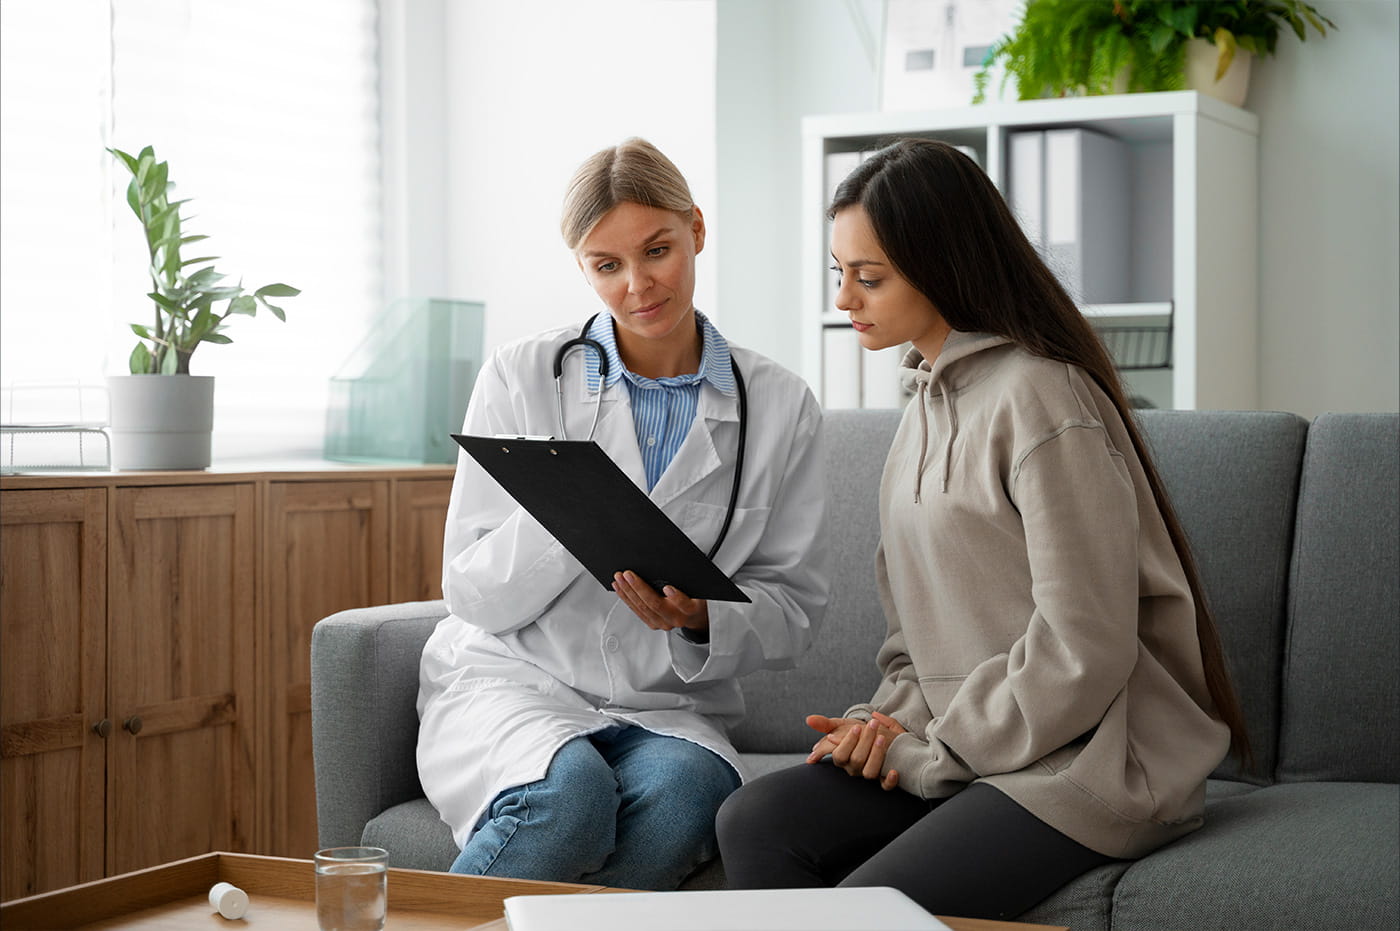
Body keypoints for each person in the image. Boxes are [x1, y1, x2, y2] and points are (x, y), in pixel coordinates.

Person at [715, 138, 1251, 920]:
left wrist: (935, 749)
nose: (845, 299)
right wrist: (883, 723)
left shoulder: (1042, 398)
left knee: (866, 908)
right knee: (755, 816)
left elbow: (1086, 645)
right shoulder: (921, 410)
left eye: (870, 278)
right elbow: (916, 643)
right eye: (840, 274)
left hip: (1086, 761)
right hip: (976, 749)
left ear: (942, 263)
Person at [416, 137, 830, 891]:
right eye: (606, 265)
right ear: (582, 268)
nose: (638, 285)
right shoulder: (521, 376)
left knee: (686, 801)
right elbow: (470, 591)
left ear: (696, 230)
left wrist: (705, 615)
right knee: (568, 795)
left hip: (666, 703)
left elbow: (796, 606)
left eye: (658, 249)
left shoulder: (781, 403)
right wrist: (567, 508)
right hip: (519, 677)